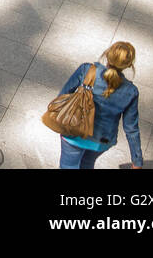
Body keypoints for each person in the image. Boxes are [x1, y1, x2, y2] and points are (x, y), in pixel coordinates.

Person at [55, 42, 144, 170]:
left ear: (107, 54)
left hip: (74, 133)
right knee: (87, 164)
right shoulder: (131, 91)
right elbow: (131, 128)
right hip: (101, 141)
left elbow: (63, 95)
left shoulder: (87, 70)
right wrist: (137, 160)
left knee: (68, 166)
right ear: (129, 65)